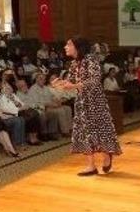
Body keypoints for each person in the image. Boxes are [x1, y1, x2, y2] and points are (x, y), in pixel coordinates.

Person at [52, 37, 122, 175]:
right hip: (82, 101)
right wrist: (59, 84)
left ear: (77, 47)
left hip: (96, 101)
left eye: (69, 44)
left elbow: (95, 80)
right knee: (84, 131)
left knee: (100, 129)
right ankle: (91, 165)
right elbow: (71, 82)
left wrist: (74, 85)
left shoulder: (91, 60)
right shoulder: (74, 63)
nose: (65, 47)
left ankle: (107, 154)